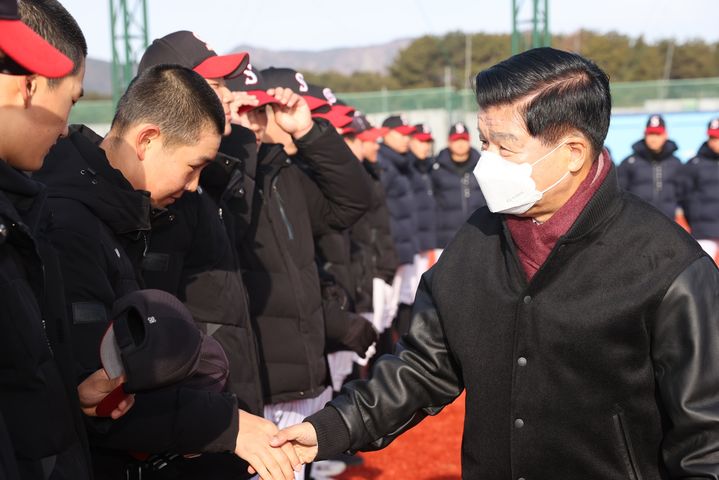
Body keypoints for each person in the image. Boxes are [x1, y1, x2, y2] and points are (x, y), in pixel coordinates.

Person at [272, 47, 719, 479]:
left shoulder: (669, 267)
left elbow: (706, 437)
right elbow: (425, 364)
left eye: (504, 148)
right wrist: (330, 428)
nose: (487, 162)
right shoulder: (477, 239)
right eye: (484, 142)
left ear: (572, 154)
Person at [34, 65, 299, 480]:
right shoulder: (72, 224)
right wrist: (224, 425)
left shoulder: (119, 212)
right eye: (193, 166)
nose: (194, 185)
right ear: (148, 140)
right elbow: (99, 395)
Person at [0, 1, 132, 478]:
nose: (64, 124)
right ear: (27, 85)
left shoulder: (20, 210)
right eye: (72, 99)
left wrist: (65, 400)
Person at [228, 65, 372, 480]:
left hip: (305, 375)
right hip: (259, 388)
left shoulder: (281, 173)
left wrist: (310, 133)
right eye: (257, 109)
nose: (262, 119)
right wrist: (242, 143)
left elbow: (352, 202)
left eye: (266, 110)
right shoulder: (220, 179)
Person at [377, 115, 418, 338]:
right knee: (386, 315)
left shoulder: (402, 162)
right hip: (389, 249)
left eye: (408, 134)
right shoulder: (383, 162)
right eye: (401, 134)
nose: (406, 139)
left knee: (398, 307)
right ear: (385, 133)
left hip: (402, 247)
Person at [617, 114, 684, 219]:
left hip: (669, 223)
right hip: (637, 221)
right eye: (650, 134)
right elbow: (620, 194)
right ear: (645, 134)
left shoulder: (676, 163)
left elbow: (684, 195)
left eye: (657, 134)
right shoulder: (629, 163)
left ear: (665, 135)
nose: (653, 138)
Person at [431, 122, 485, 250]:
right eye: (456, 140)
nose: (460, 144)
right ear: (448, 142)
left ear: (470, 140)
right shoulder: (436, 168)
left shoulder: (482, 166)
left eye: (463, 139)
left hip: (477, 235)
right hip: (445, 239)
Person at [681, 117, 719, 260]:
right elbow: (686, 197)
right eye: (713, 137)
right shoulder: (694, 164)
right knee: (703, 276)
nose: (716, 142)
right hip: (703, 231)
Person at [407, 123, 437, 288]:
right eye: (421, 141)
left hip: (425, 241)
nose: (425, 146)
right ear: (410, 141)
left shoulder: (427, 166)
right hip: (412, 243)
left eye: (427, 142)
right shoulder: (407, 166)